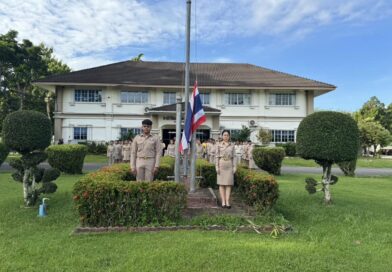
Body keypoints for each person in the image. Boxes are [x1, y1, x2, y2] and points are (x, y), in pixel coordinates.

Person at [215, 130, 236, 209]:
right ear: (222, 136)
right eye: (224, 135)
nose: (226, 136)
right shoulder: (218, 145)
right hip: (221, 165)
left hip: (229, 165)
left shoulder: (232, 145)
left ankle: (227, 201)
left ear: (229, 136)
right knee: (221, 184)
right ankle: (223, 201)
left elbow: (234, 157)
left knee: (228, 184)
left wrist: (234, 167)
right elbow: (216, 157)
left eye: (227, 135)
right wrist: (216, 167)